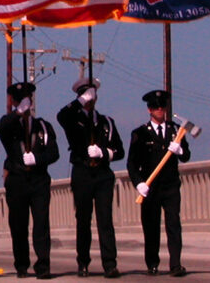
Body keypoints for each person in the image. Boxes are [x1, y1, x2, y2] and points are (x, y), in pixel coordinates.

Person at [57, 77, 123, 279]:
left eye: (92, 96)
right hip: (82, 172)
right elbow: (61, 116)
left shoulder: (106, 122)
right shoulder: (73, 120)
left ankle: (110, 264)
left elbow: (119, 151)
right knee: (83, 220)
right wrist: (80, 102)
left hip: (102, 174)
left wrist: (104, 152)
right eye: (86, 96)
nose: (90, 100)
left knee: (105, 220)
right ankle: (83, 262)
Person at [0, 82, 59, 279]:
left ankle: (43, 265)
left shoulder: (43, 126)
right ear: (14, 102)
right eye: (20, 100)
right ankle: (22, 264)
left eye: (27, 100)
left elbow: (54, 152)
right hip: (17, 179)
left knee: (41, 223)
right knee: (19, 225)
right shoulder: (10, 126)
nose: (25, 104)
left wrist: (38, 159)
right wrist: (16, 113)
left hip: (39, 179)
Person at [126, 90, 190, 277]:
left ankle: (176, 264)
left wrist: (179, 150)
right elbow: (131, 163)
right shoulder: (139, 133)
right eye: (155, 107)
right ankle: (152, 263)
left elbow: (186, 156)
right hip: (150, 187)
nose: (159, 110)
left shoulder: (176, 131)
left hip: (170, 185)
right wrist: (138, 184)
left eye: (162, 107)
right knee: (151, 226)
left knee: (173, 224)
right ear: (149, 110)